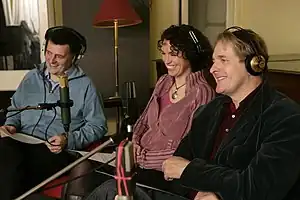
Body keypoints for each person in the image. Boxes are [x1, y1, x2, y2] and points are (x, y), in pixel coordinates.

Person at [162, 26, 300, 200]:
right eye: (213, 61)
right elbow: (174, 167)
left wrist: (193, 174)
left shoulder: (286, 117)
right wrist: (199, 192)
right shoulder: (209, 110)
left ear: (254, 64)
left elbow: (257, 188)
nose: (212, 69)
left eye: (223, 60)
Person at [85, 24, 215, 200]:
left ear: (191, 54)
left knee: (110, 189)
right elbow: (142, 122)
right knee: (90, 172)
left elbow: (186, 151)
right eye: (164, 53)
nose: (166, 60)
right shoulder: (163, 82)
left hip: (164, 174)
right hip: (139, 162)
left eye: (173, 54)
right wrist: (134, 146)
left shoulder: (203, 93)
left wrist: (141, 158)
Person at [0, 26, 107, 200]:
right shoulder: (31, 77)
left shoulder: (86, 86)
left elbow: (98, 126)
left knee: (13, 166)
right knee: (5, 151)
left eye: (59, 56)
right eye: (48, 53)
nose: (51, 60)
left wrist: (68, 139)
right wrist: (11, 125)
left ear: (74, 57)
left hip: (54, 151)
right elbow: (15, 109)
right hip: (19, 143)